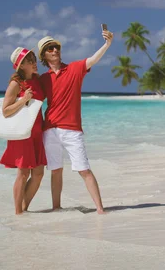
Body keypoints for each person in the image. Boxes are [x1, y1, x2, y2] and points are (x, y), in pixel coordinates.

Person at [38, 30, 113, 214]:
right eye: (50, 48)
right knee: (55, 171)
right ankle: (56, 208)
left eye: (56, 47)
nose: (55, 50)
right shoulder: (43, 79)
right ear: (44, 55)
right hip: (50, 130)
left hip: (72, 130)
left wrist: (107, 44)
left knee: (84, 170)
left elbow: (93, 59)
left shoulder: (74, 69)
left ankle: (100, 209)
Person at [0, 47, 47, 215]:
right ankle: (18, 213)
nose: (34, 63)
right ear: (21, 65)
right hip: (22, 133)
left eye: (34, 59)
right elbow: (5, 111)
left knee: (39, 173)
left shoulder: (37, 80)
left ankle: (24, 209)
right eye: (30, 61)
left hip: (37, 133)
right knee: (23, 173)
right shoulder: (15, 84)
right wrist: (23, 100)